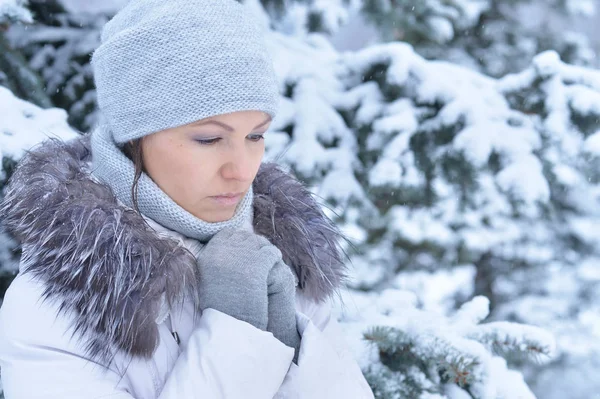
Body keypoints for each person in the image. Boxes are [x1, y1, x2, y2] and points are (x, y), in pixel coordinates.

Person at [0, 0, 375, 398]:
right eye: (209, 139)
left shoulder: (283, 259)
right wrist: (238, 336)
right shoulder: (56, 308)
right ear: (134, 137)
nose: (242, 169)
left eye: (255, 136)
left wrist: (291, 345)